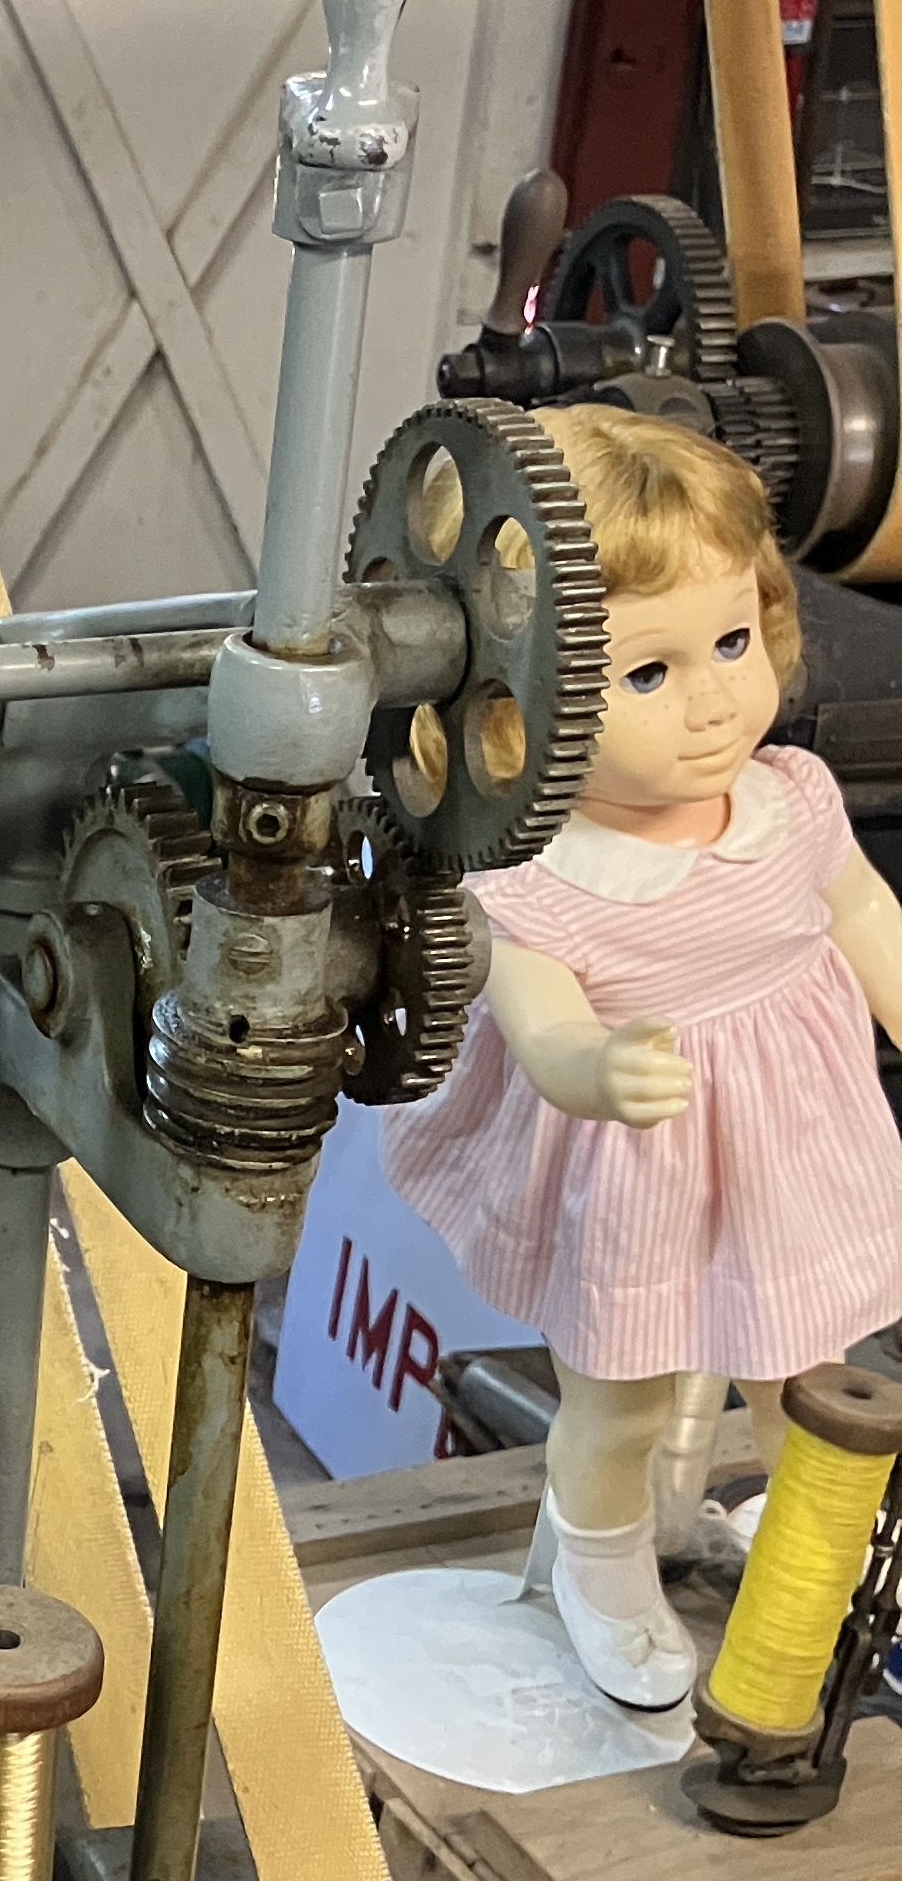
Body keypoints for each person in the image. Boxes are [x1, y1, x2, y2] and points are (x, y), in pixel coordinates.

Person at [382, 409, 902, 1705]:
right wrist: (599, 1073)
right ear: (514, 698)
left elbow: (862, 912)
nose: (715, 699)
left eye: (732, 642)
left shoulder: (790, 801)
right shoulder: (538, 877)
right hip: (642, 1171)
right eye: (649, 674)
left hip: (798, 1153)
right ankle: (599, 1560)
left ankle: (812, 1539)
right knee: (621, 1401)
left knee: (808, 1376)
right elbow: (546, 1028)